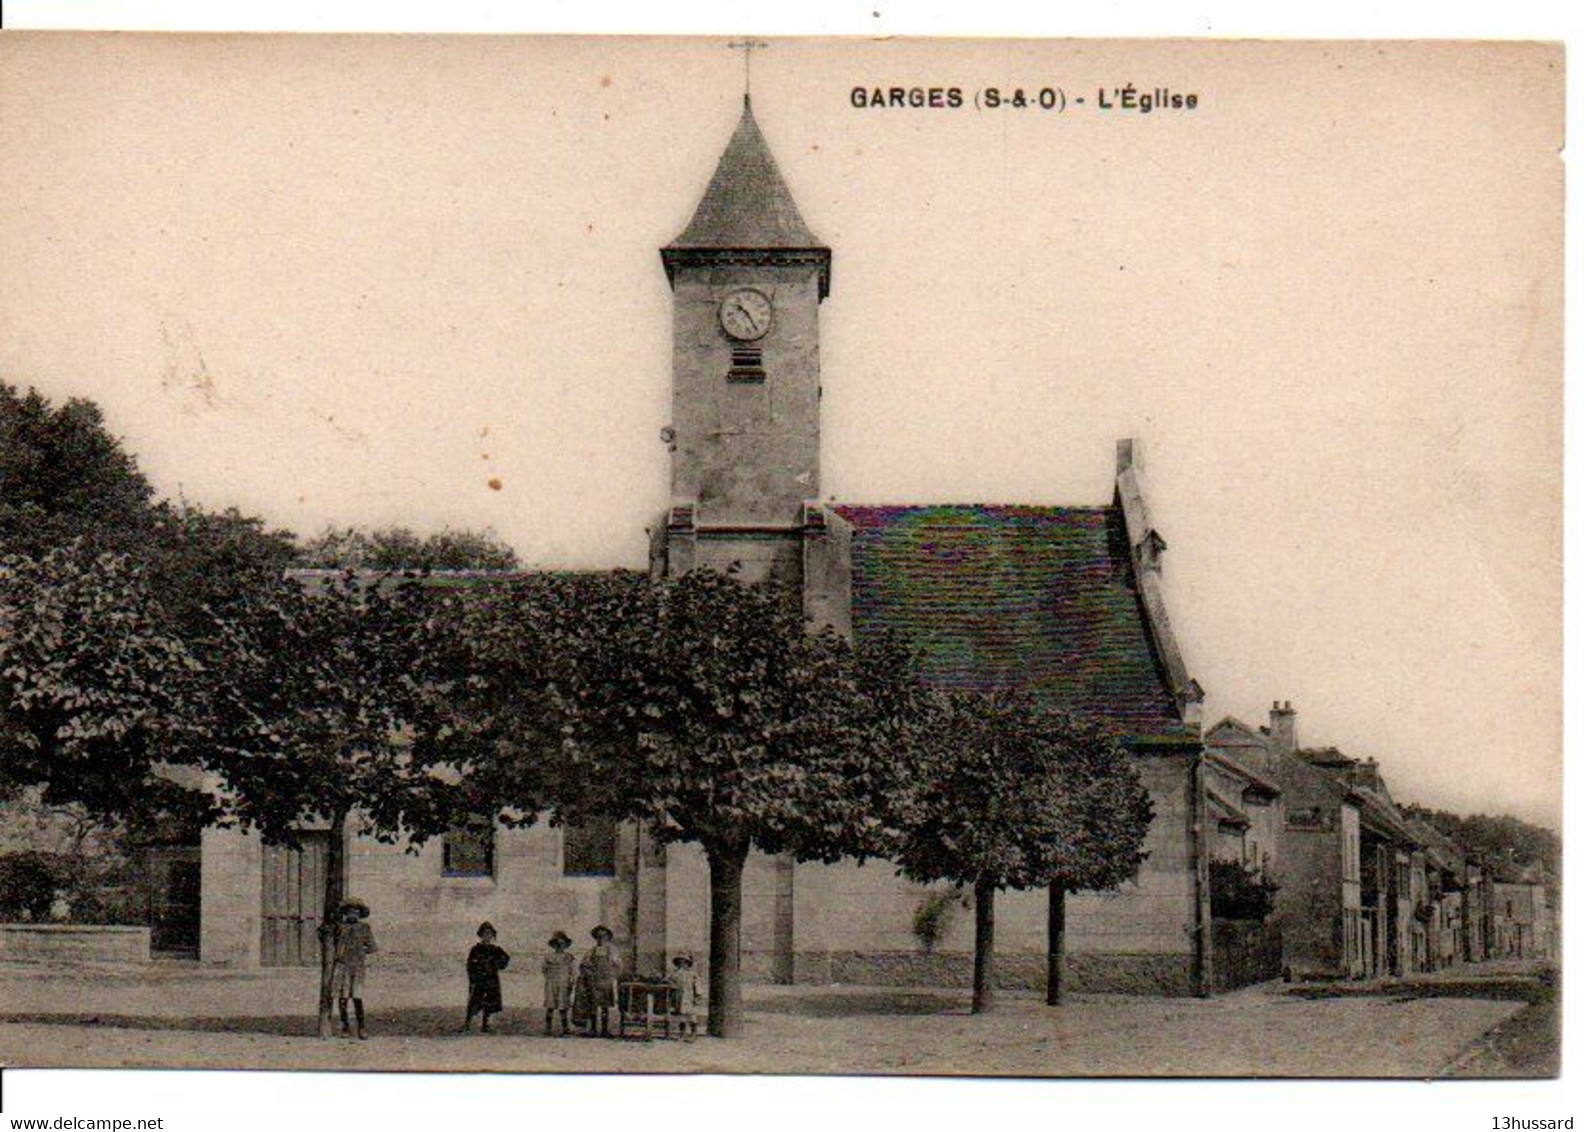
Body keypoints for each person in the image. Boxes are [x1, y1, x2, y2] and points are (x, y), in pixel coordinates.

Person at [330, 897, 377, 1040]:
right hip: (342, 965)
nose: (353, 915)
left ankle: (361, 1027)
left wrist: (361, 951)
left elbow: (372, 947)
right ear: (345, 913)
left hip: (357, 967)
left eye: (356, 912)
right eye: (350, 912)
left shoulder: (364, 928)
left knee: (357, 997)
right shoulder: (340, 927)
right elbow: (328, 938)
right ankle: (345, 1026)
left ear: (360, 914)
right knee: (342, 997)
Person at [461, 921, 511, 1034]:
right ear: (480, 935)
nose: (487, 936)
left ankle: (485, 1025)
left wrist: (497, 965)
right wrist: (473, 976)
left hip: (491, 979)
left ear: (492, 936)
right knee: (474, 1000)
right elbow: (470, 964)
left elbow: (506, 958)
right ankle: (467, 1024)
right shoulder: (475, 949)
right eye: (484, 934)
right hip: (478, 979)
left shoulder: (495, 949)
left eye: (489, 934)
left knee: (489, 1001)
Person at [580, 925, 620, 1037]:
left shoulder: (612, 951)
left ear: (607, 937)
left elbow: (618, 965)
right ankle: (592, 1029)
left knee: (605, 1007)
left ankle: (604, 1030)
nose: (601, 938)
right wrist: (588, 974)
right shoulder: (591, 951)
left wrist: (613, 976)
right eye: (598, 936)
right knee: (593, 1006)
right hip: (593, 981)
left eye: (603, 936)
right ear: (595, 937)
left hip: (606, 982)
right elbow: (584, 965)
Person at [541, 930, 576, 1037]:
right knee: (550, 1005)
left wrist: (571, 981)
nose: (560, 946)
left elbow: (572, 970)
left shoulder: (569, 957)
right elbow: (544, 969)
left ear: (565, 945)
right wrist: (550, 978)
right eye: (557, 944)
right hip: (551, 983)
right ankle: (548, 1028)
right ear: (553, 945)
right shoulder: (548, 957)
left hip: (564, 983)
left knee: (563, 1006)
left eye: (562, 944)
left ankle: (565, 1028)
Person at [667, 951, 700, 1042]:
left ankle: (693, 1034)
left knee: (692, 1016)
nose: (681, 964)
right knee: (681, 1016)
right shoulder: (675, 974)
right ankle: (682, 1034)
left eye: (684, 962)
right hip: (679, 996)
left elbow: (697, 985)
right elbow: (670, 983)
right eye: (679, 962)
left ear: (687, 963)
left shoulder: (692, 974)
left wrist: (697, 996)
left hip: (690, 996)